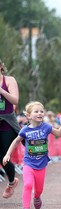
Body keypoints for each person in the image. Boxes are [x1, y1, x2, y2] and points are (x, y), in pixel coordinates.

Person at [2, 101, 61, 209]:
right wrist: (7, 154)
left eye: (41, 111)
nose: (40, 113)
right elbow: (16, 141)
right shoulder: (25, 130)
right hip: (29, 163)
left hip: (41, 164)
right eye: (36, 111)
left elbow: (59, 134)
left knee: (39, 189)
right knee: (27, 184)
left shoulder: (46, 127)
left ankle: (37, 197)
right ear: (29, 116)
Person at [0, 59, 21, 199]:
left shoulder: (9, 80)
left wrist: (1, 90)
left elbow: (15, 100)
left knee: (3, 157)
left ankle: (12, 182)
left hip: (6, 123)